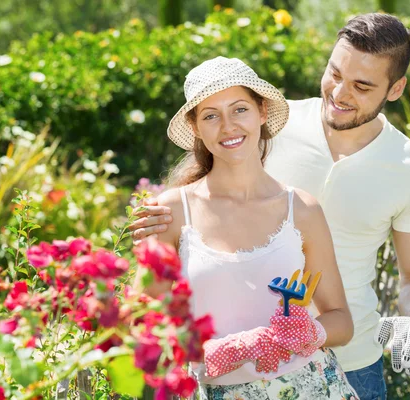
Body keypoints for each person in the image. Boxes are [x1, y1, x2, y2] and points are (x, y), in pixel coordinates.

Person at [131, 13, 410, 399]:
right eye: (335, 73)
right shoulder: (273, 122)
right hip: (224, 373)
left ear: (395, 89)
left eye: (361, 86)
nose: (340, 93)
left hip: (352, 358)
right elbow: (215, 160)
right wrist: (166, 217)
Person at [136, 56, 359, 399]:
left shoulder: (300, 209)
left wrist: (304, 333)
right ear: (195, 127)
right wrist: (198, 351)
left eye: (239, 109)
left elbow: (341, 321)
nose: (228, 126)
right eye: (211, 116)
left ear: (262, 112)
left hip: (312, 387)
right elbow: (141, 324)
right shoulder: (172, 212)